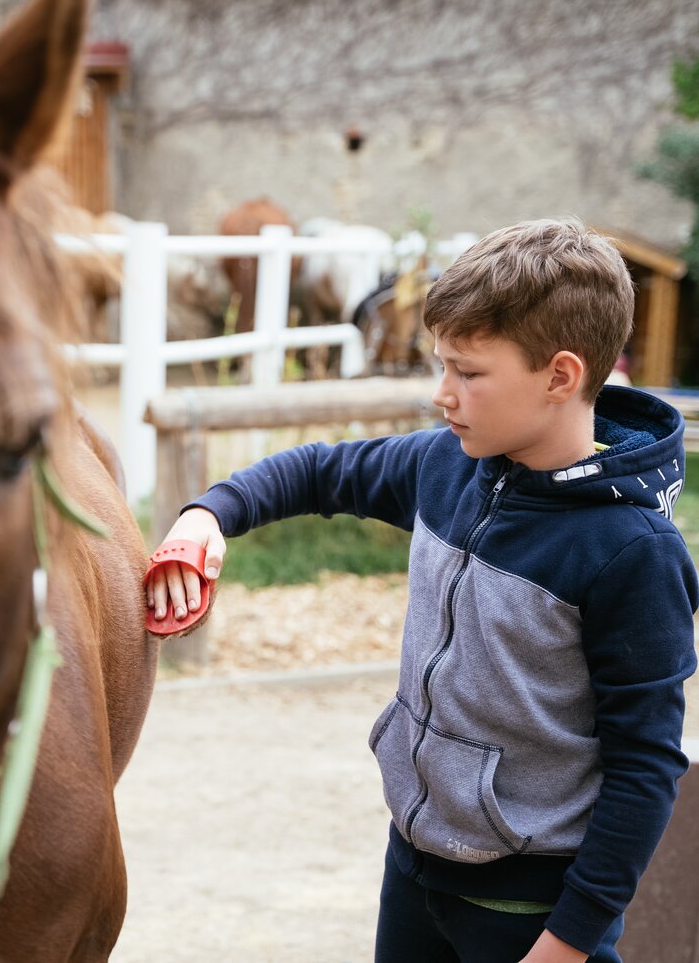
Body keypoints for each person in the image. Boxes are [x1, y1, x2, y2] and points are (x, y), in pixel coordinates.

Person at [146, 218, 698, 962]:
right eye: (442, 366)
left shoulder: (632, 552)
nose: (443, 395)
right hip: (412, 868)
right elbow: (317, 470)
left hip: (529, 913)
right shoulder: (448, 465)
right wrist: (207, 517)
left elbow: (645, 766)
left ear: (560, 377)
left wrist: (569, 941)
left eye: (468, 373)